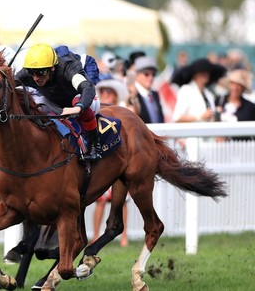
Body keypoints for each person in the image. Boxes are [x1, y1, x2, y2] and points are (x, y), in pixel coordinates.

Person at [15, 43, 101, 161]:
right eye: (32, 72)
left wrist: (78, 107)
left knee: (78, 101)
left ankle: (94, 146)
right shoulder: (28, 72)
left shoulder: (67, 67)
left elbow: (88, 88)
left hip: (81, 90)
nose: (35, 78)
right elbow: (6, 85)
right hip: (57, 96)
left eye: (40, 73)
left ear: (52, 68)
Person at [92, 78, 129, 247]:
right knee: (100, 201)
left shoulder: (123, 111)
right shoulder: (97, 111)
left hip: (118, 158)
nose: (105, 95)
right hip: (104, 160)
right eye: (103, 92)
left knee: (120, 202)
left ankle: (124, 236)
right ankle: (95, 235)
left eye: (109, 92)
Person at [172, 58, 226, 123]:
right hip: (191, 132)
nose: (206, 74)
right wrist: (200, 117)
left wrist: (216, 114)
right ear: (195, 75)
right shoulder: (186, 90)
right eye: (202, 72)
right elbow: (177, 117)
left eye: (207, 71)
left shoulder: (209, 94)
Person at [215, 69, 255, 140]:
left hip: (241, 145)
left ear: (243, 88)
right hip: (221, 145)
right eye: (233, 84)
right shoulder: (219, 100)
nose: (235, 88)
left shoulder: (250, 107)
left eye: (239, 85)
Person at [128, 56, 165, 124]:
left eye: (153, 74)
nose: (151, 78)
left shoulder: (155, 94)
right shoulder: (130, 94)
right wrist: (133, 97)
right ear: (136, 75)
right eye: (146, 74)